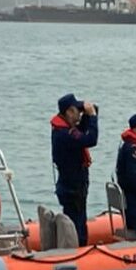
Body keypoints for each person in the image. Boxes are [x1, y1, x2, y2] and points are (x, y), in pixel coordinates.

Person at [51, 93, 98, 246]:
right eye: (77, 110)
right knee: (78, 230)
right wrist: (92, 117)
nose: (79, 113)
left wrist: (89, 114)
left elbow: (81, 131)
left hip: (70, 186)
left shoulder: (64, 130)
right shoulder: (65, 134)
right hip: (73, 189)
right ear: (69, 112)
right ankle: (78, 254)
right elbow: (90, 139)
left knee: (77, 223)